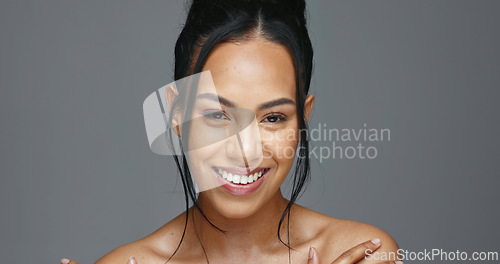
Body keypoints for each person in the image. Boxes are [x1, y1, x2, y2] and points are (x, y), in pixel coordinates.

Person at [62, 0, 401, 263]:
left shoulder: (361, 254)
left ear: (303, 118)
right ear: (177, 112)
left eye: (273, 118)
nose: (245, 150)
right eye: (217, 115)